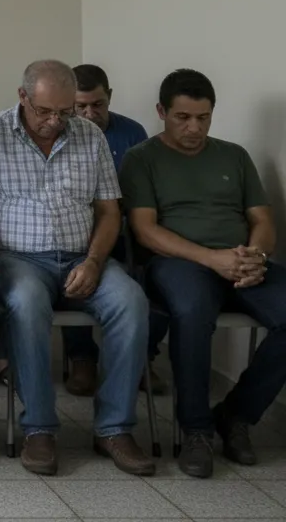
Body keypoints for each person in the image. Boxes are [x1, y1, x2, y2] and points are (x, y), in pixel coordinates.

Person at [0, 60, 154, 477]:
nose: (56, 121)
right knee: (27, 303)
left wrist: (94, 260)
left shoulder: (90, 137)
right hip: (17, 258)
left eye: (65, 111)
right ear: (22, 97)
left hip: (80, 256)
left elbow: (108, 212)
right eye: (45, 111)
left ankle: (114, 428)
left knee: (131, 301)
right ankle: (39, 428)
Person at [122, 69, 286, 478]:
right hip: (177, 261)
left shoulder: (234, 155)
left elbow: (262, 219)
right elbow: (145, 230)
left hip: (241, 260)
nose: (194, 127)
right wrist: (212, 259)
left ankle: (236, 416)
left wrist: (256, 255)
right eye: (182, 117)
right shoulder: (141, 158)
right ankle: (195, 429)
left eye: (204, 117)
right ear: (161, 111)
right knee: (193, 313)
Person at [68, 63, 166, 396]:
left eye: (97, 104)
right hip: (78, 230)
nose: (89, 113)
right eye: (80, 106)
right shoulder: (63, 132)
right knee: (72, 269)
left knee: (158, 273)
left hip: (125, 226)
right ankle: (81, 357)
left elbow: (140, 190)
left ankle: (143, 356)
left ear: (109, 97)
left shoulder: (131, 132)